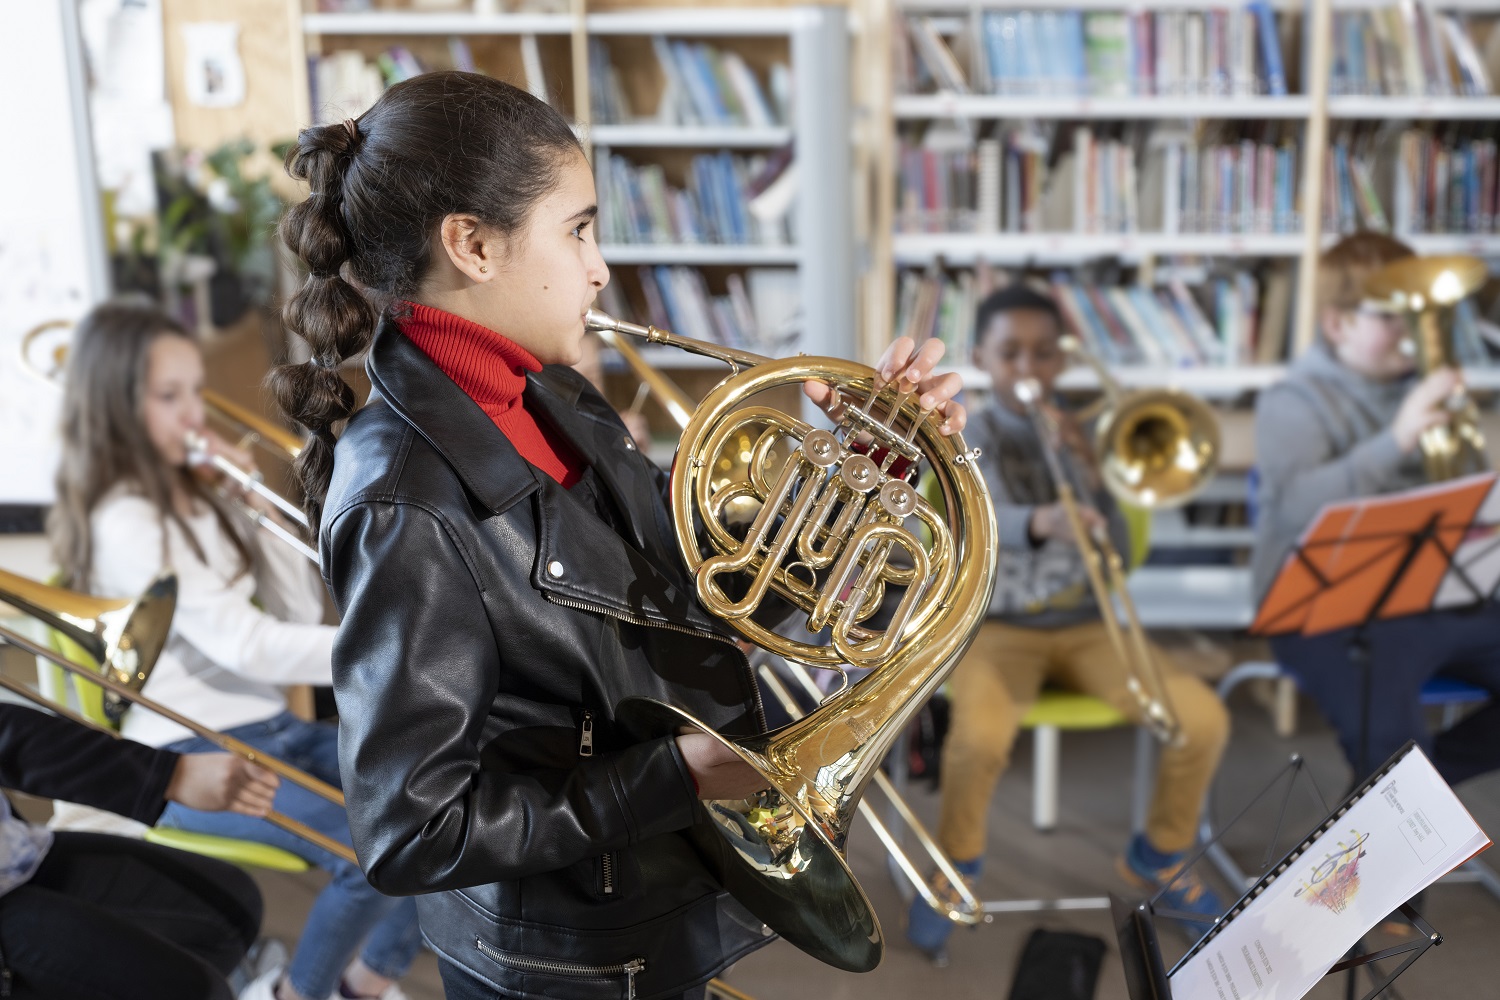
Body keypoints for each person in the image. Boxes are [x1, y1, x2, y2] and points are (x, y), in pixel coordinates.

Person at [267, 71, 966, 1000]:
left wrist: (865, 471)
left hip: (637, 908)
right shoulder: (404, 500)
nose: (599, 268)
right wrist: (673, 778)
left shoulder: (547, 390)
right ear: (472, 245)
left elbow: (683, 578)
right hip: (566, 961)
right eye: (579, 229)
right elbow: (410, 832)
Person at [48, 300, 423, 1000]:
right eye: (169, 397)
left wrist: (249, 509)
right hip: (190, 749)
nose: (195, 413)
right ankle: (295, 995)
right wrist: (381, 645)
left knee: (429, 808)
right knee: (365, 854)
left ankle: (363, 982)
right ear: (113, 407)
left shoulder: (192, 496)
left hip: (271, 731)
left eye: (195, 391)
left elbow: (291, 607)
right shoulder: (126, 518)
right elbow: (246, 646)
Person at [906, 284, 1231, 962]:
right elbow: (964, 526)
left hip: (1086, 622)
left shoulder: (1089, 431)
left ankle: (1160, 858)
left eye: (1043, 353)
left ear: (1062, 360)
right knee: (979, 739)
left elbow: (1118, 541)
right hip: (996, 626)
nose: (1028, 367)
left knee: (1200, 718)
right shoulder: (963, 430)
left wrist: (1093, 470)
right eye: (1011, 353)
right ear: (985, 359)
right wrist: (1039, 523)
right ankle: (956, 865)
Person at [1252, 231, 1500, 783]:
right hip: (1323, 609)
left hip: (1435, 595)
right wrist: (1399, 437)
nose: (1413, 333)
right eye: (1392, 316)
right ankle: (1396, 804)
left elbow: (1468, 509)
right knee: (1390, 735)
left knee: (1403, 766)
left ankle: (1409, 796)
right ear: (1338, 323)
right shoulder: (1293, 400)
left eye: (1421, 313)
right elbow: (1295, 508)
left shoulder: (1427, 390)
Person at [0, 701, 273, 999]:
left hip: (14, 854)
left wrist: (167, 775)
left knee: (231, 913)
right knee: (202, 992)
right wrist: (169, 776)